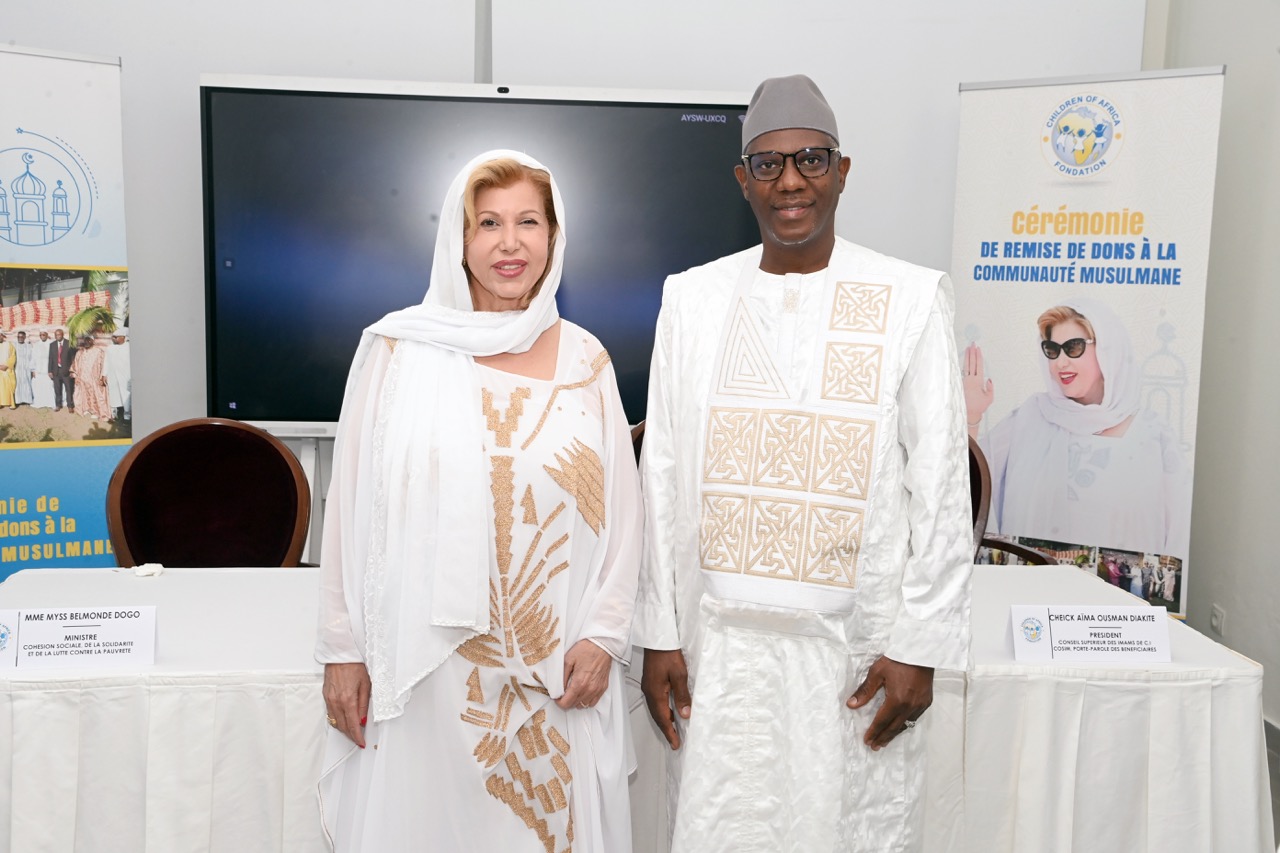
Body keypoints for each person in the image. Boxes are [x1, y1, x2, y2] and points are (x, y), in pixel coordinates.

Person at [634, 75, 971, 853]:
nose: (790, 181)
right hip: (721, 651)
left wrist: (920, 645)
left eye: (812, 159)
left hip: (856, 655)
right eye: (769, 163)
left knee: (848, 829)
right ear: (742, 179)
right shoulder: (692, 299)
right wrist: (658, 631)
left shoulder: (911, 298)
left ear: (842, 171)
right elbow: (663, 474)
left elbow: (941, 484)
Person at [315, 150, 641, 853]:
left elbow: (624, 513)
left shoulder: (585, 359)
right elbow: (347, 510)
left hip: (553, 670)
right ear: (458, 239)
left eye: (529, 222)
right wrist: (342, 650)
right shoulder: (398, 350)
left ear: (554, 236)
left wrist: (606, 636)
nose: (509, 242)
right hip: (425, 671)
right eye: (488, 223)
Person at [963, 297, 1191, 558]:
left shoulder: (1153, 435)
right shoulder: (1029, 418)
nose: (1060, 362)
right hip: (1031, 581)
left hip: (1115, 584)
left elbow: (1179, 537)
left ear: (1107, 349)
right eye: (1052, 349)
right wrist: (971, 417)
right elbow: (968, 484)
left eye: (1073, 347)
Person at [71, 334, 112, 421]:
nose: (87, 342)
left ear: (93, 341)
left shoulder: (99, 352)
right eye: (85, 340)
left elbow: (103, 365)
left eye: (89, 340)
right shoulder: (80, 352)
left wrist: (102, 377)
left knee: (95, 396)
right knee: (83, 394)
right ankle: (86, 408)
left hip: (94, 379)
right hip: (82, 379)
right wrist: (74, 373)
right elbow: (75, 364)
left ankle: (96, 412)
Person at [103, 328, 131, 422]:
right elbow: (106, 361)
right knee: (113, 394)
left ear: (123, 337)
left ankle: (127, 415)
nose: (114, 339)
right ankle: (113, 414)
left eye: (116, 337)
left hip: (126, 376)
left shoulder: (129, 347)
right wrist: (104, 374)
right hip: (112, 376)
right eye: (113, 337)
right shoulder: (110, 348)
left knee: (126, 395)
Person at [47, 328, 75, 412]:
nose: (57, 336)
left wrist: (72, 370)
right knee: (57, 389)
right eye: (56, 335)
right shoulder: (52, 345)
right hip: (56, 371)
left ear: (62, 335)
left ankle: (70, 406)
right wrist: (50, 371)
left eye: (59, 334)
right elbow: (50, 358)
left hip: (66, 371)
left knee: (69, 389)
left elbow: (73, 358)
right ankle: (58, 405)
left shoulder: (69, 343)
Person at [29, 330, 54, 409]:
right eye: (41, 335)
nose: (42, 336)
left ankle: (50, 403)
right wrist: (33, 370)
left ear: (47, 335)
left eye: (44, 334)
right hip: (38, 370)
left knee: (49, 386)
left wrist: (52, 370)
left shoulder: (51, 344)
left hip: (48, 370)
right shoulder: (36, 345)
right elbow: (33, 357)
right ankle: (39, 402)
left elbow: (54, 358)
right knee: (38, 386)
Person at [13, 331, 34, 406]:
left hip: (26, 368)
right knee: (17, 383)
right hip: (17, 368)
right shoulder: (14, 346)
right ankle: (18, 400)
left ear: (25, 337)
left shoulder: (29, 346)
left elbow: (32, 358)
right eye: (18, 337)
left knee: (26, 383)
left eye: (22, 337)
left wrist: (32, 368)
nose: (20, 338)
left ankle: (27, 399)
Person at [0, 332, 15, 409]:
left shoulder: (9, 345)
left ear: (3, 336)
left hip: (7, 369)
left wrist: (6, 365)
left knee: (9, 387)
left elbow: (13, 356)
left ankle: (11, 403)